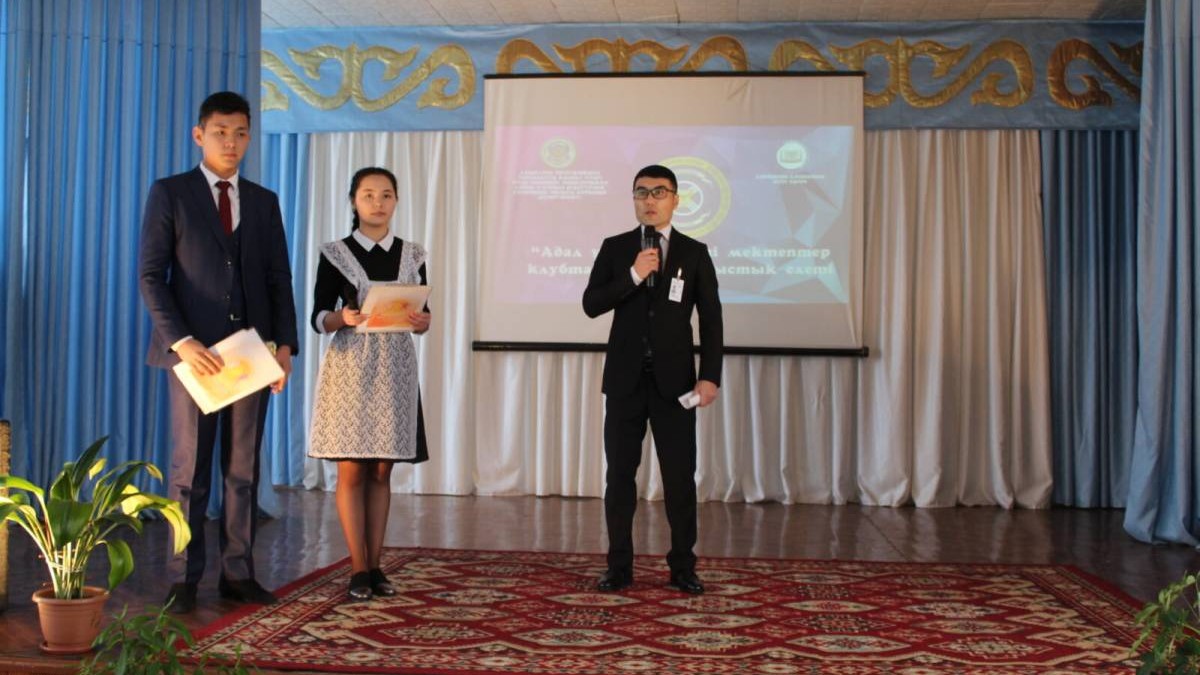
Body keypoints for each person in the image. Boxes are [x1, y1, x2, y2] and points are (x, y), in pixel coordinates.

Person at [139, 91, 299, 614]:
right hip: (194, 356)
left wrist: (285, 347)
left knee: (243, 470)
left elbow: (279, 278)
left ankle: (238, 574)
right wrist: (182, 341)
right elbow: (150, 276)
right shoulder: (171, 193)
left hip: (253, 354)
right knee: (189, 473)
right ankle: (182, 579)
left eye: (240, 133)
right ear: (199, 135)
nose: (231, 142)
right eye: (220, 133)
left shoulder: (264, 201)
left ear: (250, 137)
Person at [582, 164, 723, 595]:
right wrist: (632, 275)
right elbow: (591, 304)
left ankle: (683, 566)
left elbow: (711, 319)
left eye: (659, 192)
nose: (649, 200)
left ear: (675, 200)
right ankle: (618, 566)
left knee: (679, 479)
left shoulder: (694, 253)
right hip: (625, 382)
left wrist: (709, 377)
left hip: (675, 385)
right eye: (641, 192)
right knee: (620, 478)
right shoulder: (616, 248)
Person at [308, 167, 432, 601]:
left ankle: (377, 565)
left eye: (386, 195)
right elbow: (318, 317)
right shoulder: (335, 253)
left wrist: (423, 322)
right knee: (352, 468)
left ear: (396, 200)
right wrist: (342, 317)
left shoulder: (412, 254)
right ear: (354, 201)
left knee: (382, 469)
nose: (378, 203)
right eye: (368, 195)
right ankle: (358, 568)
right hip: (351, 367)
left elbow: (422, 316)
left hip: (396, 367)